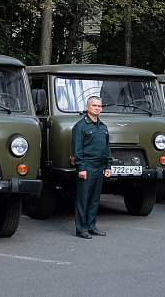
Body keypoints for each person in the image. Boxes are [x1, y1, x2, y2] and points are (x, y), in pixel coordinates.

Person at [72, 95, 112, 239]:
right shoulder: (80, 126)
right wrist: (81, 167)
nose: (97, 108)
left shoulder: (103, 127)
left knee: (95, 199)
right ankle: (81, 228)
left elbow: (107, 148)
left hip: (99, 167)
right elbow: (77, 149)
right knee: (83, 198)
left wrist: (108, 165)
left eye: (99, 106)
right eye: (94, 106)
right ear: (88, 107)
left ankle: (91, 226)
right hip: (87, 166)